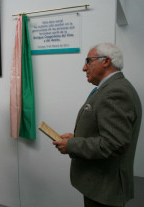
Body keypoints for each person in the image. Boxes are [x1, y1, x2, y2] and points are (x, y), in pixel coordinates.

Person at [53, 43, 142, 207]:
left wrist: (72, 144)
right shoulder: (110, 88)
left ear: (106, 61)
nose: (83, 68)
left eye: (88, 61)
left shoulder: (115, 92)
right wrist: (77, 137)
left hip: (105, 188)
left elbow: (114, 144)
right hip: (100, 184)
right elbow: (107, 133)